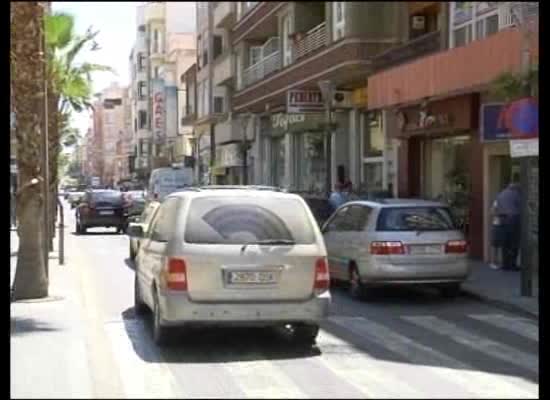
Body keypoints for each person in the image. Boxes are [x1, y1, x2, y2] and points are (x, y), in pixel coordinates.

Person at [493, 173, 521, 271]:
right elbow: (522, 206)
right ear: (517, 182)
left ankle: (505, 264)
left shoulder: (501, 193)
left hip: (502, 220)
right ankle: (512, 264)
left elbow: (495, 208)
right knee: (514, 243)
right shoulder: (516, 193)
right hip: (513, 220)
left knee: (505, 243)